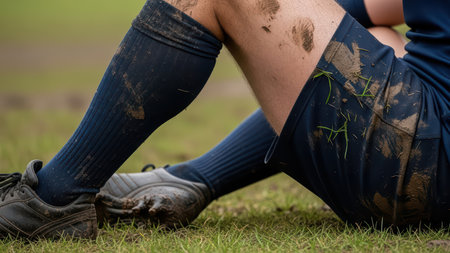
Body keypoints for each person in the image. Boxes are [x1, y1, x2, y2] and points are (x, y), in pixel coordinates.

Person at [0, 0, 448, 240]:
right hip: (424, 157)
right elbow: (371, 8)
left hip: (423, 160)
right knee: (375, 39)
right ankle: (193, 178)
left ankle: (54, 200)